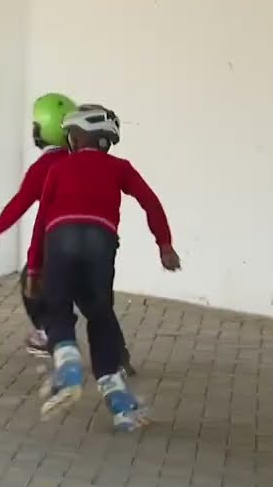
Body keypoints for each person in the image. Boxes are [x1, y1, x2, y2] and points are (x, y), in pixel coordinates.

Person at [25, 105, 181, 432]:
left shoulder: (58, 168)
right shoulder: (120, 168)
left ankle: (68, 365)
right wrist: (164, 245)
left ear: (79, 137)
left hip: (61, 237)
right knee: (100, 315)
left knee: (57, 307)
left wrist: (36, 268)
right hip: (101, 242)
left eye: (71, 134)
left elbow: (42, 220)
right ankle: (119, 402)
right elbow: (151, 202)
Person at [0, 96, 137, 375]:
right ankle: (118, 357)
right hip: (97, 245)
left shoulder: (45, 168)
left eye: (36, 125)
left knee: (34, 282)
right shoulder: (82, 159)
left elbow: (19, 206)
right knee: (97, 305)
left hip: (57, 244)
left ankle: (48, 333)